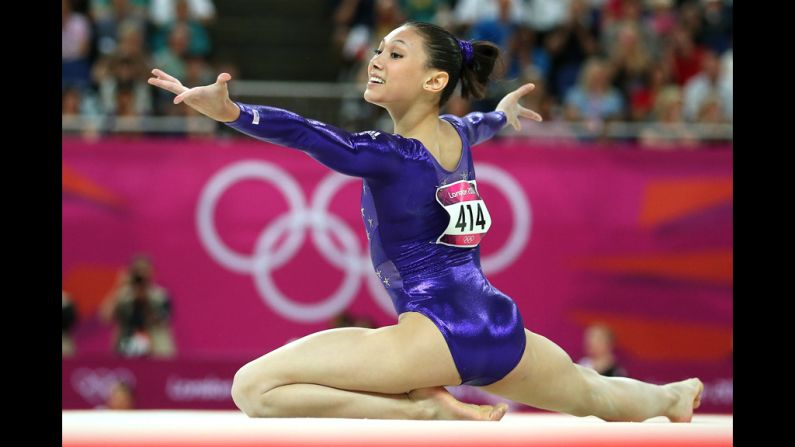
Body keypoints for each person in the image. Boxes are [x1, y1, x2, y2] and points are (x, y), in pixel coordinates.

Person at [148, 21, 702, 422]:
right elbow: (479, 124)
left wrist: (233, 113)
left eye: (395, 53)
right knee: (592, 395)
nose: (376, 58)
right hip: (501, 326)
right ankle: (671, 398)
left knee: (255, 390)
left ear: (434, 81)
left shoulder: (391, 155)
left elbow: (307, 133)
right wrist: (501, 116)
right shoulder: (458, 137)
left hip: (431, 335)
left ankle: (423, 412)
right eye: (379, 49)